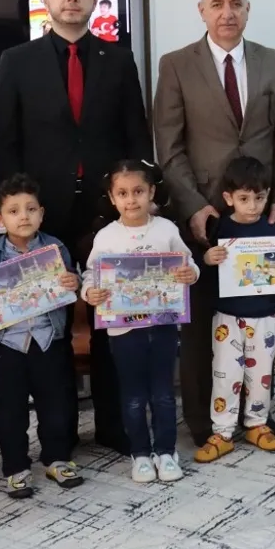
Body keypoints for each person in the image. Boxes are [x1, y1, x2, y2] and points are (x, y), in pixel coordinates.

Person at [0, 0, 151, 455]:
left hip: (109, 212)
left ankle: (113, 425)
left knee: (112, 314)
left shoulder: (118, 60)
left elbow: (135, 136)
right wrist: (15, 210)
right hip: (43, 213)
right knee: (50, 318)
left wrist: (138, 202)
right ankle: (58, 435)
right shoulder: (17, 61)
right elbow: (6, 140)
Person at [153, 0, 275, 443]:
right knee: (204, 325)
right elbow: (169, 146)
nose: (227, 12)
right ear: (202, 11)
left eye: (236, 3)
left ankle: (256, 414)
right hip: (205, 217)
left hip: (259, 214)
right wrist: (194, 205)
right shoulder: (176, 65)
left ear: (248, 9)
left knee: (259, 318)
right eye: (216, 4)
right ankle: (205, 421)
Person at [82, 161, 199, 482]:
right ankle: (141, 454)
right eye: (122, 193)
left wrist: (191, 274)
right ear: (112, 198)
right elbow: (91, 274)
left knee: (163, 393)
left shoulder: (166, 230)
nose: (131, 199)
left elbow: (187, 263)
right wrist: (89, 291)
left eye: (138, 191)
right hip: (123, 331)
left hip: (163, 327)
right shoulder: (106, 237)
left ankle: (166, 451)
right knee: (133, 396)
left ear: (151, 193)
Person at [0, 174, 83, 498]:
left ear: (41, 213)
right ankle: (16, 466)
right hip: (8, 344)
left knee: (57, 405)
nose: (23, 217)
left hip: (49, 340)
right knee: (8, 411)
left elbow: (71, 283)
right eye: (14, 211)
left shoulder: (55, 248)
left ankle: (57, 458)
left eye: (31, 209)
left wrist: (73, 282)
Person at [194, 157, 275, 462]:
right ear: (228, 198)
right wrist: (207, 260)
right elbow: (201, 272)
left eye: (259, 198)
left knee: (261, 375)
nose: (252, 206)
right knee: (225, 375)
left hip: (265, 314)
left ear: (268, 195)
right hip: (228, 316)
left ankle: (257, 424)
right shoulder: (219, 226)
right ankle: (222, 432)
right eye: (244, 199)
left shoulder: (273, 226)